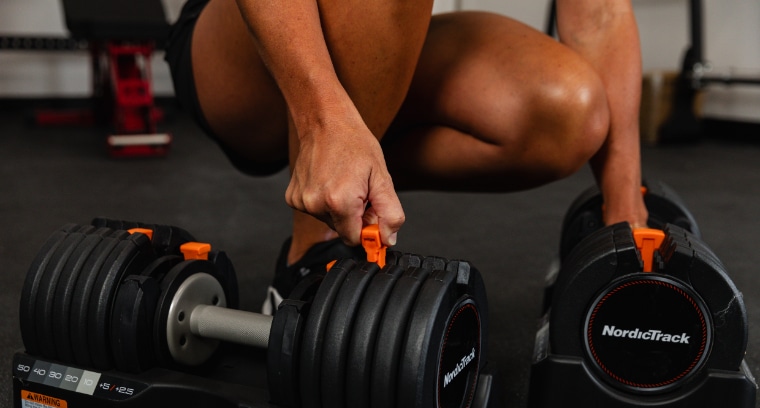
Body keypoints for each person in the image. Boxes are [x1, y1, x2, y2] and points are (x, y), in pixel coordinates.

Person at [164, 0, 648, 312]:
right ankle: (313, 253)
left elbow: (600, 13)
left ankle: (354, 166)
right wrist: (320, 123)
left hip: (371, 37)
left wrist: (625, 212)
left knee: (567, 112)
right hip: (254, 42)